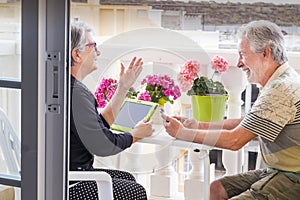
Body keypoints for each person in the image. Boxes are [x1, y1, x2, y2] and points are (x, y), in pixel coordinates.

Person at [162, 20, 300, 199]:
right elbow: (247, 123)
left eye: (243, 55)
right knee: (217, 188)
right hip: (278, 171)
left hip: (292, 177)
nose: (239, 63)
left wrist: (183, 133)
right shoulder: (282, 79)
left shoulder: (280, 90)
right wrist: (196, 124)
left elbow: (235, 140)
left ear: (265, 53)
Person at [70, 21, 153, 200]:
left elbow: (98, 127)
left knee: (128, 179)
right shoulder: (76, 94)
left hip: (66, 175)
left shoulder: (69, 87)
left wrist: (123, 87)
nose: (98, 52)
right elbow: (103, 144)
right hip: (70, 184)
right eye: (93, 46)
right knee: (136, 192)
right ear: (77, 55)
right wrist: (135, 135)